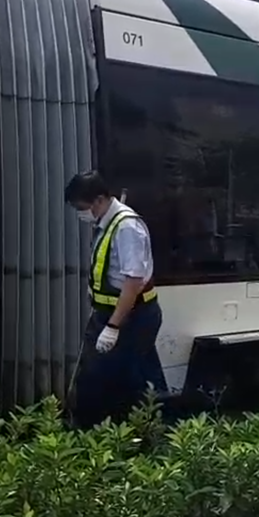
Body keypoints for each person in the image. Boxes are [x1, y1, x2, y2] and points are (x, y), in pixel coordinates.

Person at [65, 170, 168, 429]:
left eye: (83, 207)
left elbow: (133, 282)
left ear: (99, 199)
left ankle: (156, 434)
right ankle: (103, 430)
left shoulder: (126, 227)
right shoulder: (108, 223)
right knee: (120, 376)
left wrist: (112, 327)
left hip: (130, 318)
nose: (82, 213)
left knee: (135, 379)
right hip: (111, 314)